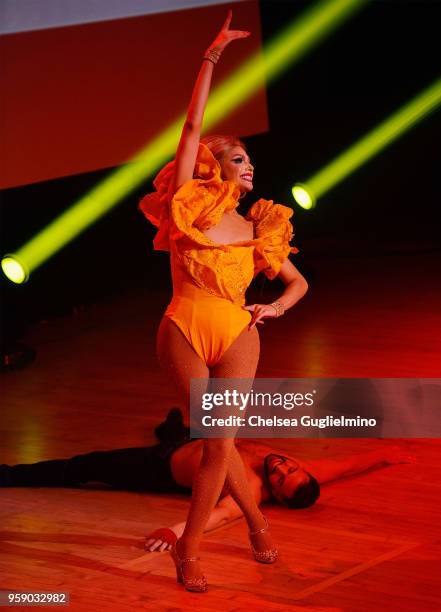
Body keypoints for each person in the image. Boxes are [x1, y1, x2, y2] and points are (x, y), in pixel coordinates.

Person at [138, 11, 308, 592]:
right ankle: (233, 532)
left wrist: (276, 308)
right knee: (216, 438)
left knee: (222, 441)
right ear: (216, 168)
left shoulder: (260, 224)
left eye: (249, 160)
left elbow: (297, 282)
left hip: (240, 332)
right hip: (183, 327)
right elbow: (190, 130)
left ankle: (195, 544)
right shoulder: (188, 204)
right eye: (239, 158)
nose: (250, 165)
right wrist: (211, 56)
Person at [0, 407, 415, 548]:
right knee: (186, 429)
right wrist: (386, 453)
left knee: (84, 467)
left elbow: (216, 518)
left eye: (280, 478)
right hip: (202, 441)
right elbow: (348, 466)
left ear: (273, 494)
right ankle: (174, 426)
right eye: (289, 468)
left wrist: (174, 531)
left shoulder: (247, 490)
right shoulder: (302, 470)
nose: (281, 466)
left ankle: (8, 476)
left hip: (157, 467)